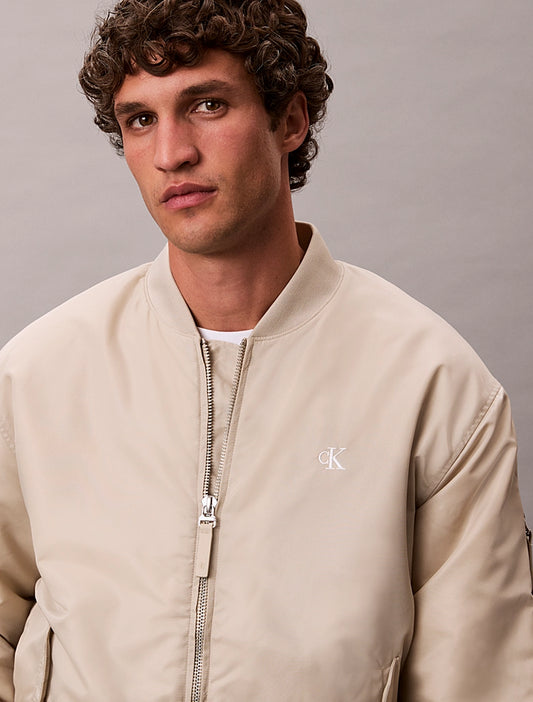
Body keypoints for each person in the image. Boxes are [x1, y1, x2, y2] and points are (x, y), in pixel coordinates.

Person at [1, 0, 531, 699]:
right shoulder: (39, 375)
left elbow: (482, 677)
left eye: (207, 105)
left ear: (290, 120)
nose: (171, 153)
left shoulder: (433, 383)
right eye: (140, 119)